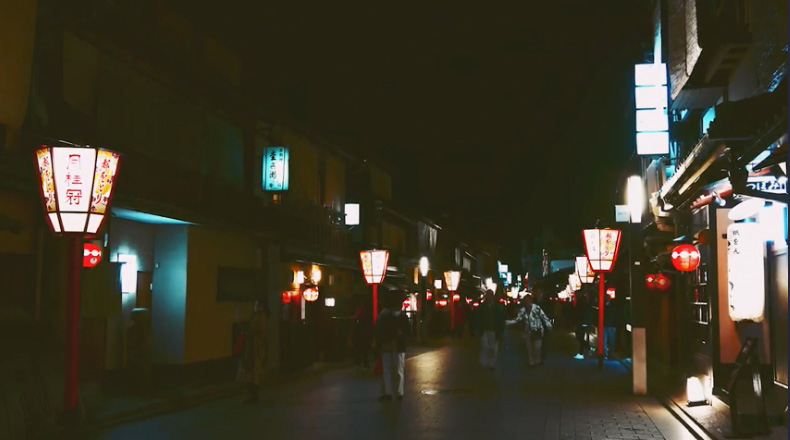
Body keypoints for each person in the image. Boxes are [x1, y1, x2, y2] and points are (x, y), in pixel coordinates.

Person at [375, 293, 410, 401]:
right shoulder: (402, 316)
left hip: (386, 345)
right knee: (399, 370)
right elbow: (408, 331)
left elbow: (379, 331)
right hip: (399, 346)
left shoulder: (383, 316)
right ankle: (399, 392)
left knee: (387, 370)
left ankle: (388, 392)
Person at [236, 300, 268, 403]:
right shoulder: (260, 317)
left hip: (254, 349)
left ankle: (253, 396)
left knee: (253, 372)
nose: (255, 307)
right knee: (254, 373)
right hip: (255, 348)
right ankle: (253, 395)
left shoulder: (259, 318)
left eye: (257, 305)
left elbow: (252, 331)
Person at [507, 293, 552, 367]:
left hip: (537, 330)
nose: (527, 302)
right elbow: (518, 319)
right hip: (528, 331)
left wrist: (548, 325)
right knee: (529, 348)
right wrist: (508, 323)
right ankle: (531, 362)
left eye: (528, 300)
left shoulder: (537, 308)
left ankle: (538, 360)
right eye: (525, 301)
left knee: (537, 347)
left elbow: (543, 317)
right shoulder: (522, 310)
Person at [478, 289, 505, 369]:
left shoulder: (497, 307)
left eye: (491, 295)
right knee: (485, 346)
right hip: (484, 329)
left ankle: (491, 363)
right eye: (488, 295)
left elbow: (501, 319)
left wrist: (500, 330)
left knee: (493, 348)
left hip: (494, 330)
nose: (489, 297)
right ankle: (484, 362)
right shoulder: (482, 307)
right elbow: (478, 318)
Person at [352, 301, 373, 368]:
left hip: (361, 333)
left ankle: (360, 361)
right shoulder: (366, 317)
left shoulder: (359, 318)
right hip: (363, 333)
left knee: (361, 348)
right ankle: (363, 361)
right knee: (364, 348)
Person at [603, 295, 617, 359]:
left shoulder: (604, 307)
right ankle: (609, 353)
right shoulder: (613, 307)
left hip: (607, 325)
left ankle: (607, 353)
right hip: (609, 325)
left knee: (607, 341)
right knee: (610, 340)